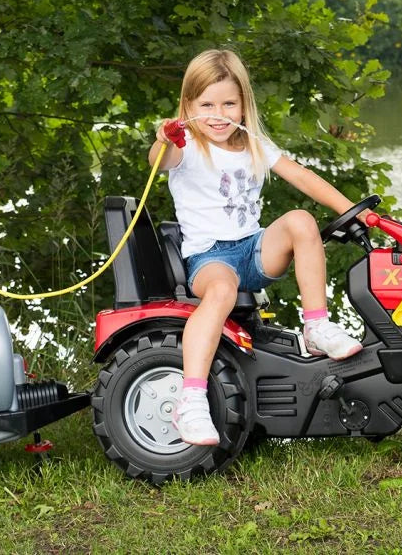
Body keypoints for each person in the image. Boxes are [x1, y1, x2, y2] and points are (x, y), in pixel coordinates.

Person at [149, 49, 364, 446]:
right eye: (207, 104)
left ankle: (316, 326)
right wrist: (166, 139)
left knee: (300, 219)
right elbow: (160, 160)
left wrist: (354, 212)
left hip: (252, 250)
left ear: (244, 105)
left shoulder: (252, 144)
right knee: (221, 291)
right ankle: (191, 398)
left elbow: (304, 177)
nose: (218, 113)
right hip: (210, 257)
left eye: (229, 103)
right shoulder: (187, 147)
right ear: (189, 106)